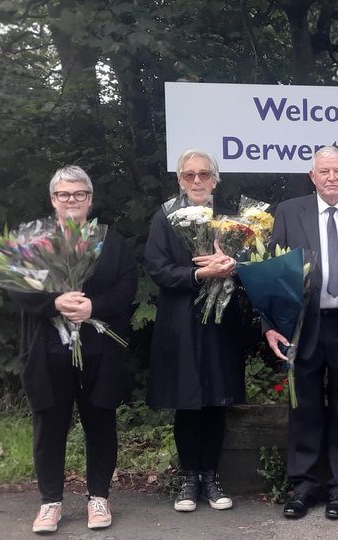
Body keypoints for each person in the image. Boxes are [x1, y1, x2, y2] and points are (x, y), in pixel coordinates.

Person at [11, 165, 137, 533]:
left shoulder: (111, 241)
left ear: (90, 199)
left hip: (98, 349)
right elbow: (17, 290)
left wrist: (93, 307)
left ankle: (99, 497)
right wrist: (56, 301)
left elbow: (126, 286)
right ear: (53, 199)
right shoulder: (33, 241)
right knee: (49, 425)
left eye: (79, 194)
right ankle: (50, 502)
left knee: (101, 421)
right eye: (64, 195)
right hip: (48, 350)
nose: (72, 201)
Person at [264, 146, 338, 520]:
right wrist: (270, 326)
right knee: (304, 409)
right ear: (311, 176)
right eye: (324, 171)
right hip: (303, 326)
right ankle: (304, 487)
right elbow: (272, 273)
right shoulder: (288, 211)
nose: (331, 177)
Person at [145, 149, 241, 513]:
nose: (197, 181)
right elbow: (157, 268)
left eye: (204, 174)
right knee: (187, 401)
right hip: (181, 320)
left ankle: (212, 477)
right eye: (189, 175)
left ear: (215, 179)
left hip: (219, 320)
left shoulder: (230, 220)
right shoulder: (165, 217)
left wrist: (233, 264)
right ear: (180, 180)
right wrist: (199, 274)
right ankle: (189, 478)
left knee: (217, 400)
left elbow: (248, 262)